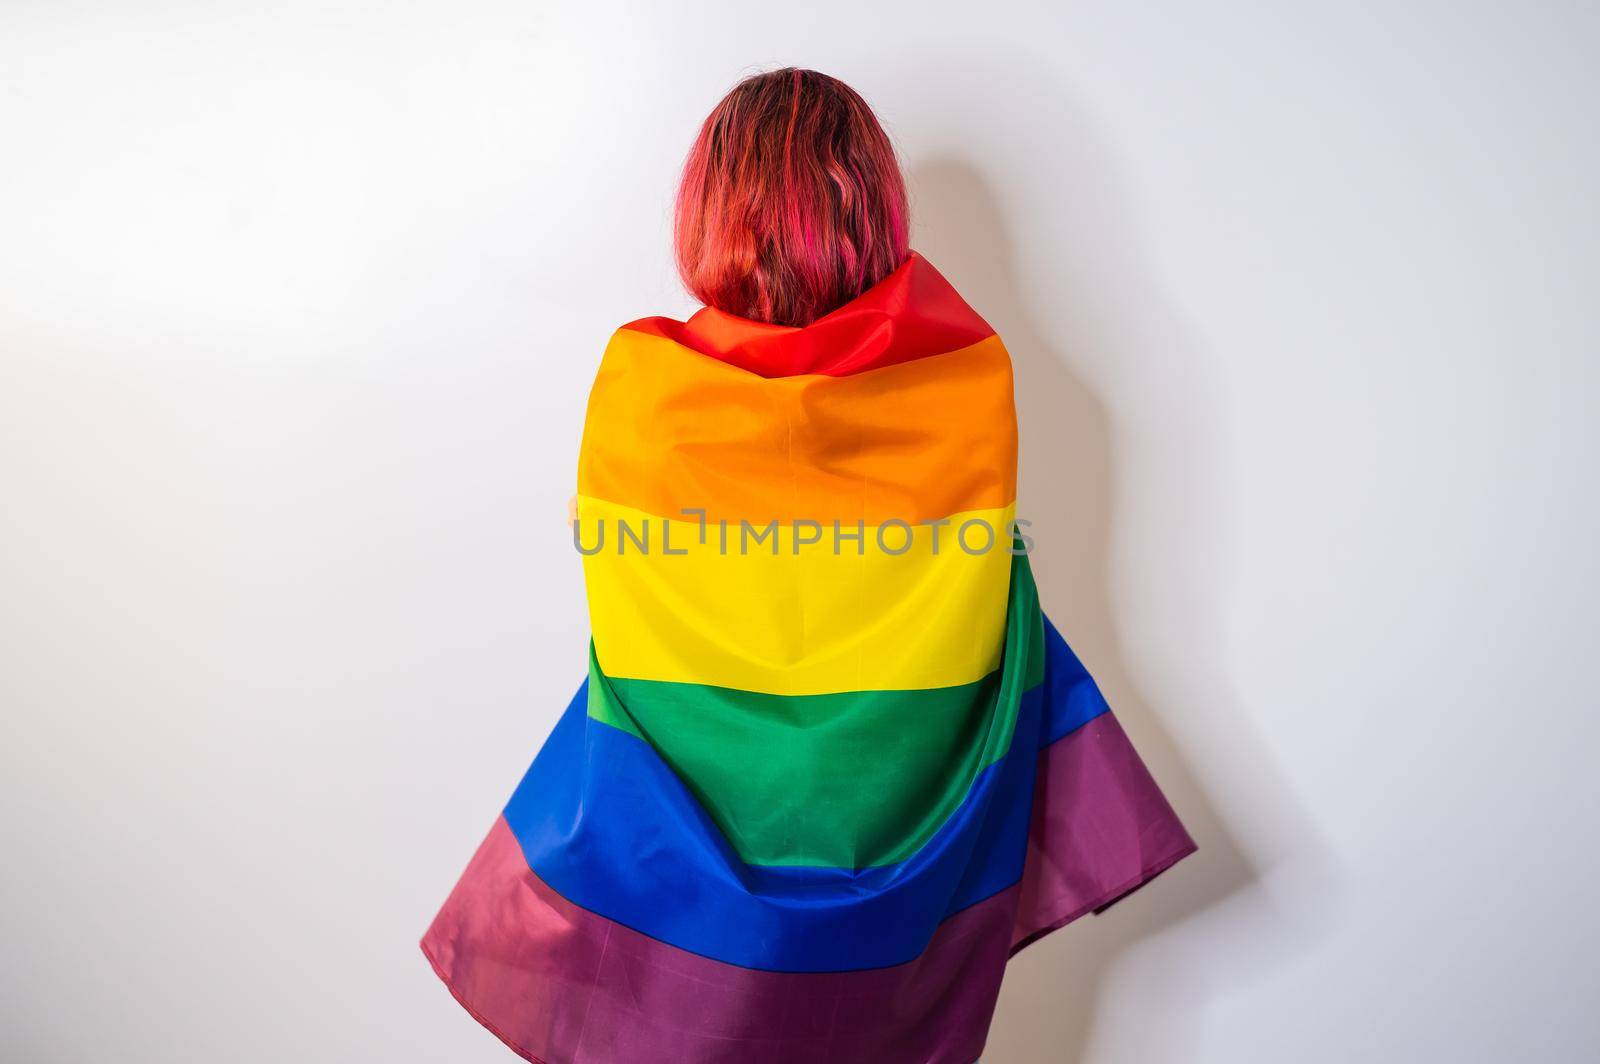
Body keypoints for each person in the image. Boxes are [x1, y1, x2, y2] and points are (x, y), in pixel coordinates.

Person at [422, 67, 1195, 1064]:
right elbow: (966, 618)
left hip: (676, 901)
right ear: (872, 211)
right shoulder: (966, 385)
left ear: (708, 212)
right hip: (909, 897)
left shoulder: (642, 396)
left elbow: (636, 629)